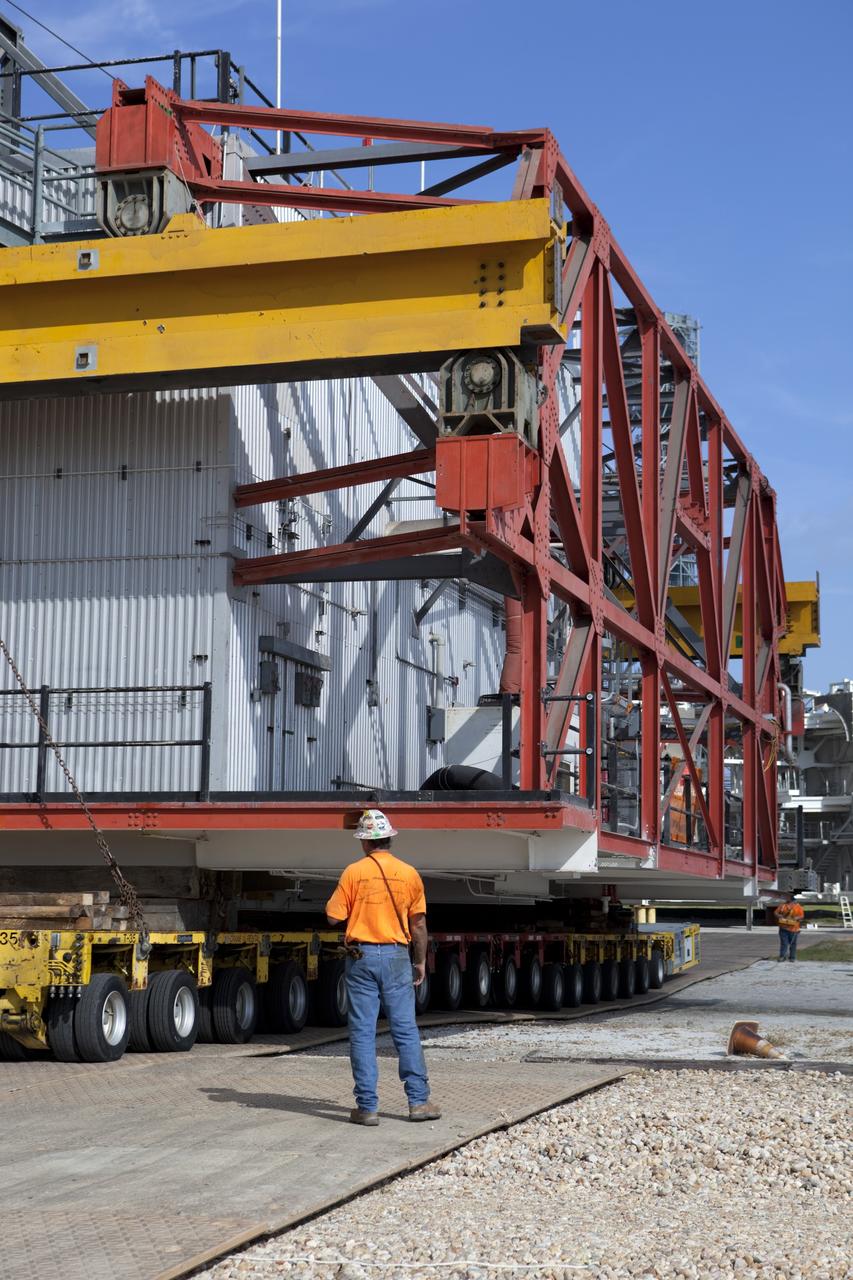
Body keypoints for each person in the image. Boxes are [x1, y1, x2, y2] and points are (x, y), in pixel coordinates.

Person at [326, 808, 440, 1127]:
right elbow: (418, 926)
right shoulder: (409, 874)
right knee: (404, 1029)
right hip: (396, 957)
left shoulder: (353, 872)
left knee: (362, 1031)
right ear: (389, 838)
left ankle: (368, 1107)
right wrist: (418, 961)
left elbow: (333, 916)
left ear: (365, 843)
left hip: (360, 957)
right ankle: (418, 1102)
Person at [774, 892, 805, 962]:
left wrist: (796, 918)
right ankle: (782, 956)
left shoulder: (798, 907)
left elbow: (802, 916)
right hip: (783, 928)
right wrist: (779, 916)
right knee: (784, 943)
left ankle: (792, 957)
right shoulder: (782, 906)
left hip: (794, 929)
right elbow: (776, 913)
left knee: (793, 944)